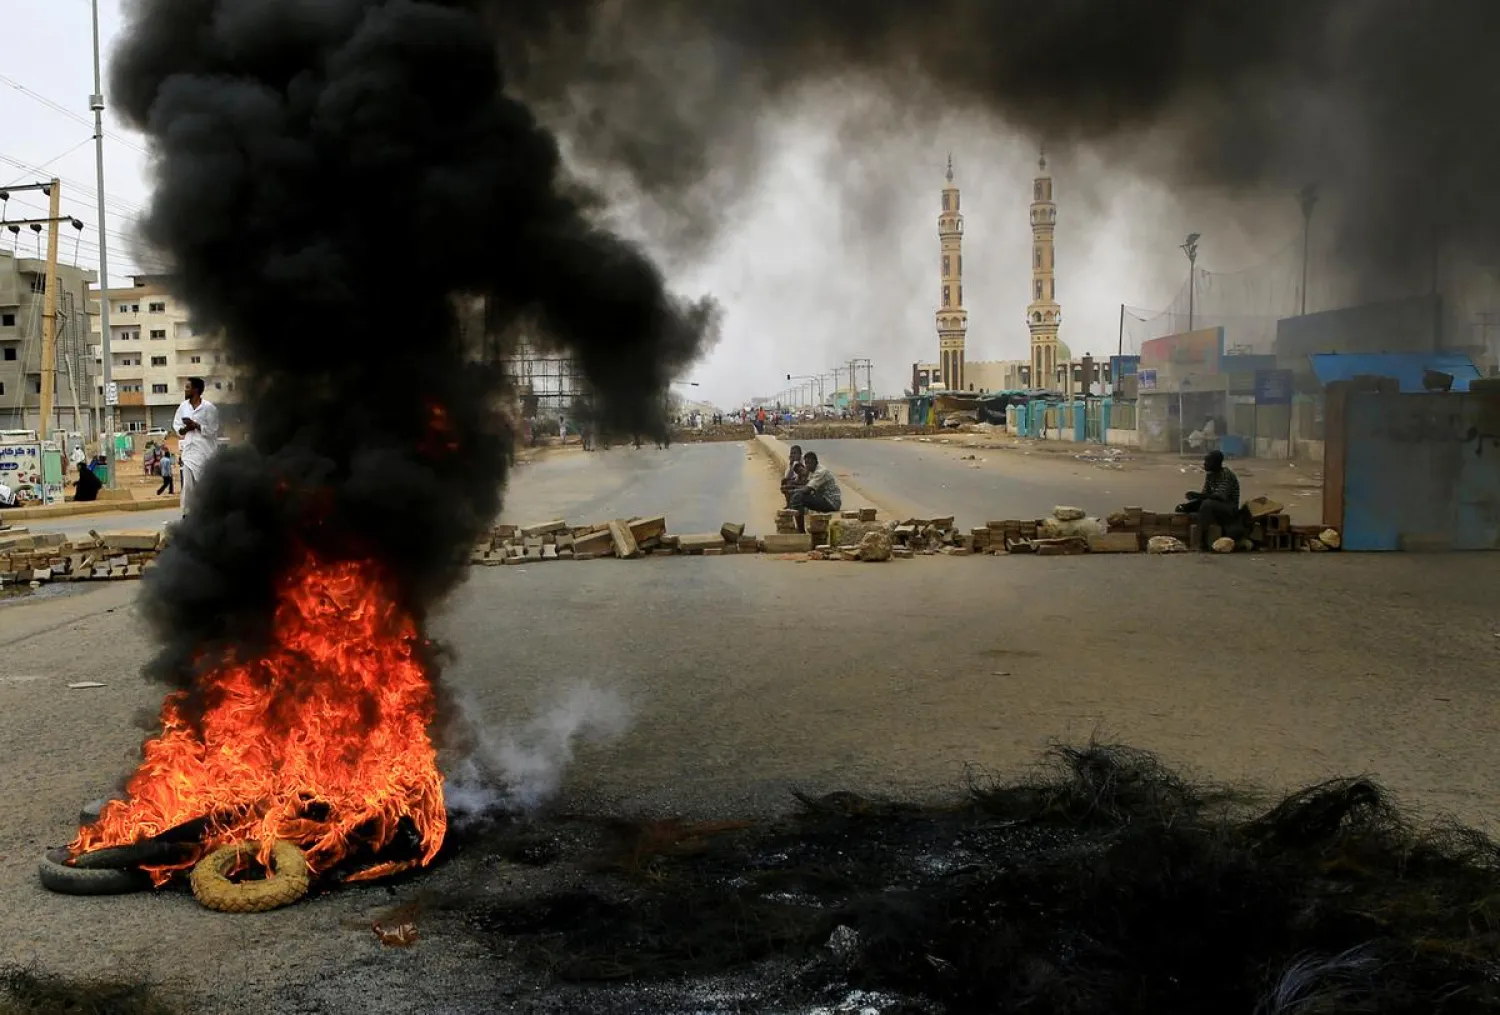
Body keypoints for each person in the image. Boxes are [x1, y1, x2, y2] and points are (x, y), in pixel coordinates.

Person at [172, 376, 221, 515]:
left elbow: (213, 430)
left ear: (196, 390)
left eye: (188, 387)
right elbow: (177, 428)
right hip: (189, 453)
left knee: (205, 486)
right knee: (187, 486)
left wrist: (197, 425)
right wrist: (187, 428)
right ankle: (186, 514)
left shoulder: (209, 408)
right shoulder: (183, 407)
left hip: (205, 453)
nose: (185, 390)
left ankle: (208, 514)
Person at [1182, 449, 1240, 549]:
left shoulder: (1226, 475)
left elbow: (1220, 497)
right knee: (1187, 507)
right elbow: (1205, 495)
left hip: (1230, 508)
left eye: (1208, 461)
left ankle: (1202, 541)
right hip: (1216, 505)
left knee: (1207, 504)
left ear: (1217, 463)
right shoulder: (1210, 475)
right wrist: (1187, 505)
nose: (1204, 464)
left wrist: (1197, 495)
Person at [789, 451, 841, 532]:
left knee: (798, 497)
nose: (807, 466)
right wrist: (793, 488)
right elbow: (806, 485)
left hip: (831, 502)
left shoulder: (820, 472)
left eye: (809, 463)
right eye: (806, 463)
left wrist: (792, 490)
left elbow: (807, 490)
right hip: (823, 498)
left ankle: (801, 531)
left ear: (815, 462)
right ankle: (799, 528)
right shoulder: (812, 471)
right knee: (797, 496)